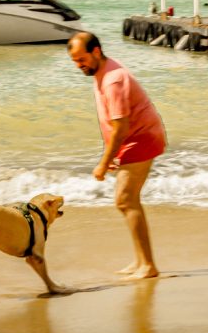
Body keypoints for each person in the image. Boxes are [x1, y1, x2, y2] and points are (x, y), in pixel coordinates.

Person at [67, 31, 165, 280]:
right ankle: (141, 261)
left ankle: (148, 266)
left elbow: (121, 126)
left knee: (125, 201)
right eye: (75, 61)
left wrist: (103, 162)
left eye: (82, 59)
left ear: (96, 52)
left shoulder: (113, 80)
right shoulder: (101, 71)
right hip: (133, 138)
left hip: (141, 138)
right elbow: (113, 124)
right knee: (127, 201)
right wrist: (113, 154)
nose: (79, 66)